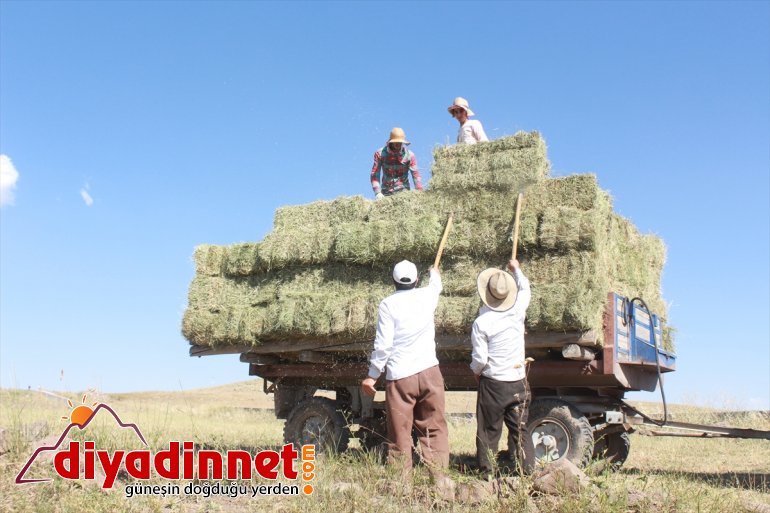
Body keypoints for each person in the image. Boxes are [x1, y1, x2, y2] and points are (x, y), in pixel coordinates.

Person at [361, 260, 452, 493]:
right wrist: (434, 273)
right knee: (434, 427)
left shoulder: (387, 305)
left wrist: (372, 375)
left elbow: (383, 345)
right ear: (416, 281)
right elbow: (437, 285)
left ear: (392, 281)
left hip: (401, 377)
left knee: (400, 431)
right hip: (430, 372)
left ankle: (402, 484)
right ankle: (441, 481)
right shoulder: (427, 296)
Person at [470, 259, 535, 476]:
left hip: (494, 384)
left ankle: (487, 474)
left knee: (489, 431)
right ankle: (527, 473)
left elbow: (480, 358)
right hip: (518, 381)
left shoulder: (482, 323)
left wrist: (476, 372)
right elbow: (525, 288)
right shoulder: (517, 311)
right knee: (520, 431)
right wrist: (516, 269)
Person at [370, 127, 423, 199]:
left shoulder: (409, 155)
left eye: (400, 142)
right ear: (391, 142)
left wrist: (419, 192)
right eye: (396, 142)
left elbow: (416, 175)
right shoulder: (380, 154)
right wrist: (377, 192)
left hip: (404, 193)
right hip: (386, 193)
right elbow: (375, 174)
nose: (398, 144)